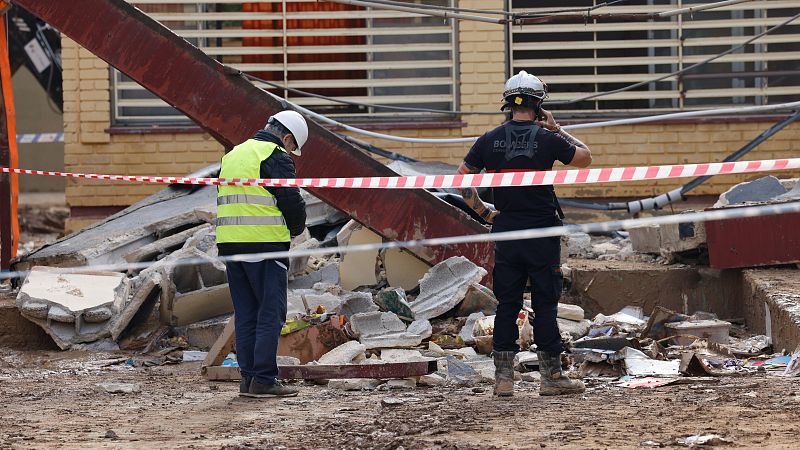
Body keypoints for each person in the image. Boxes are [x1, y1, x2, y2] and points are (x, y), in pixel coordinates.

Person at [457, 71, 592, 397]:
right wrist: (557, 128)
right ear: (538, 105)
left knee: (507, 303)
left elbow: (462, 179)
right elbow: (585, 158)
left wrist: (485, 213)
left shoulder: (489, 139)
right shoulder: (548, 138)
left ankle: (503, 380)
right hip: (541, 233)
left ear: (508, 105)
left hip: (506, 232)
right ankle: (551, 378)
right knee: (545, 304)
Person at [216, 110, 308, 398]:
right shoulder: (275, 155)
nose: (290, 152)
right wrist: (296, 228)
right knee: (270, 313)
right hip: (265, 245)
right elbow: (290, 201)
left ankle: (249, 380)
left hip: (231, 245)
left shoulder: (233, 154)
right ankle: (265, 380)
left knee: (246, 313)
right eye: (292, 147)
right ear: (287, 138)